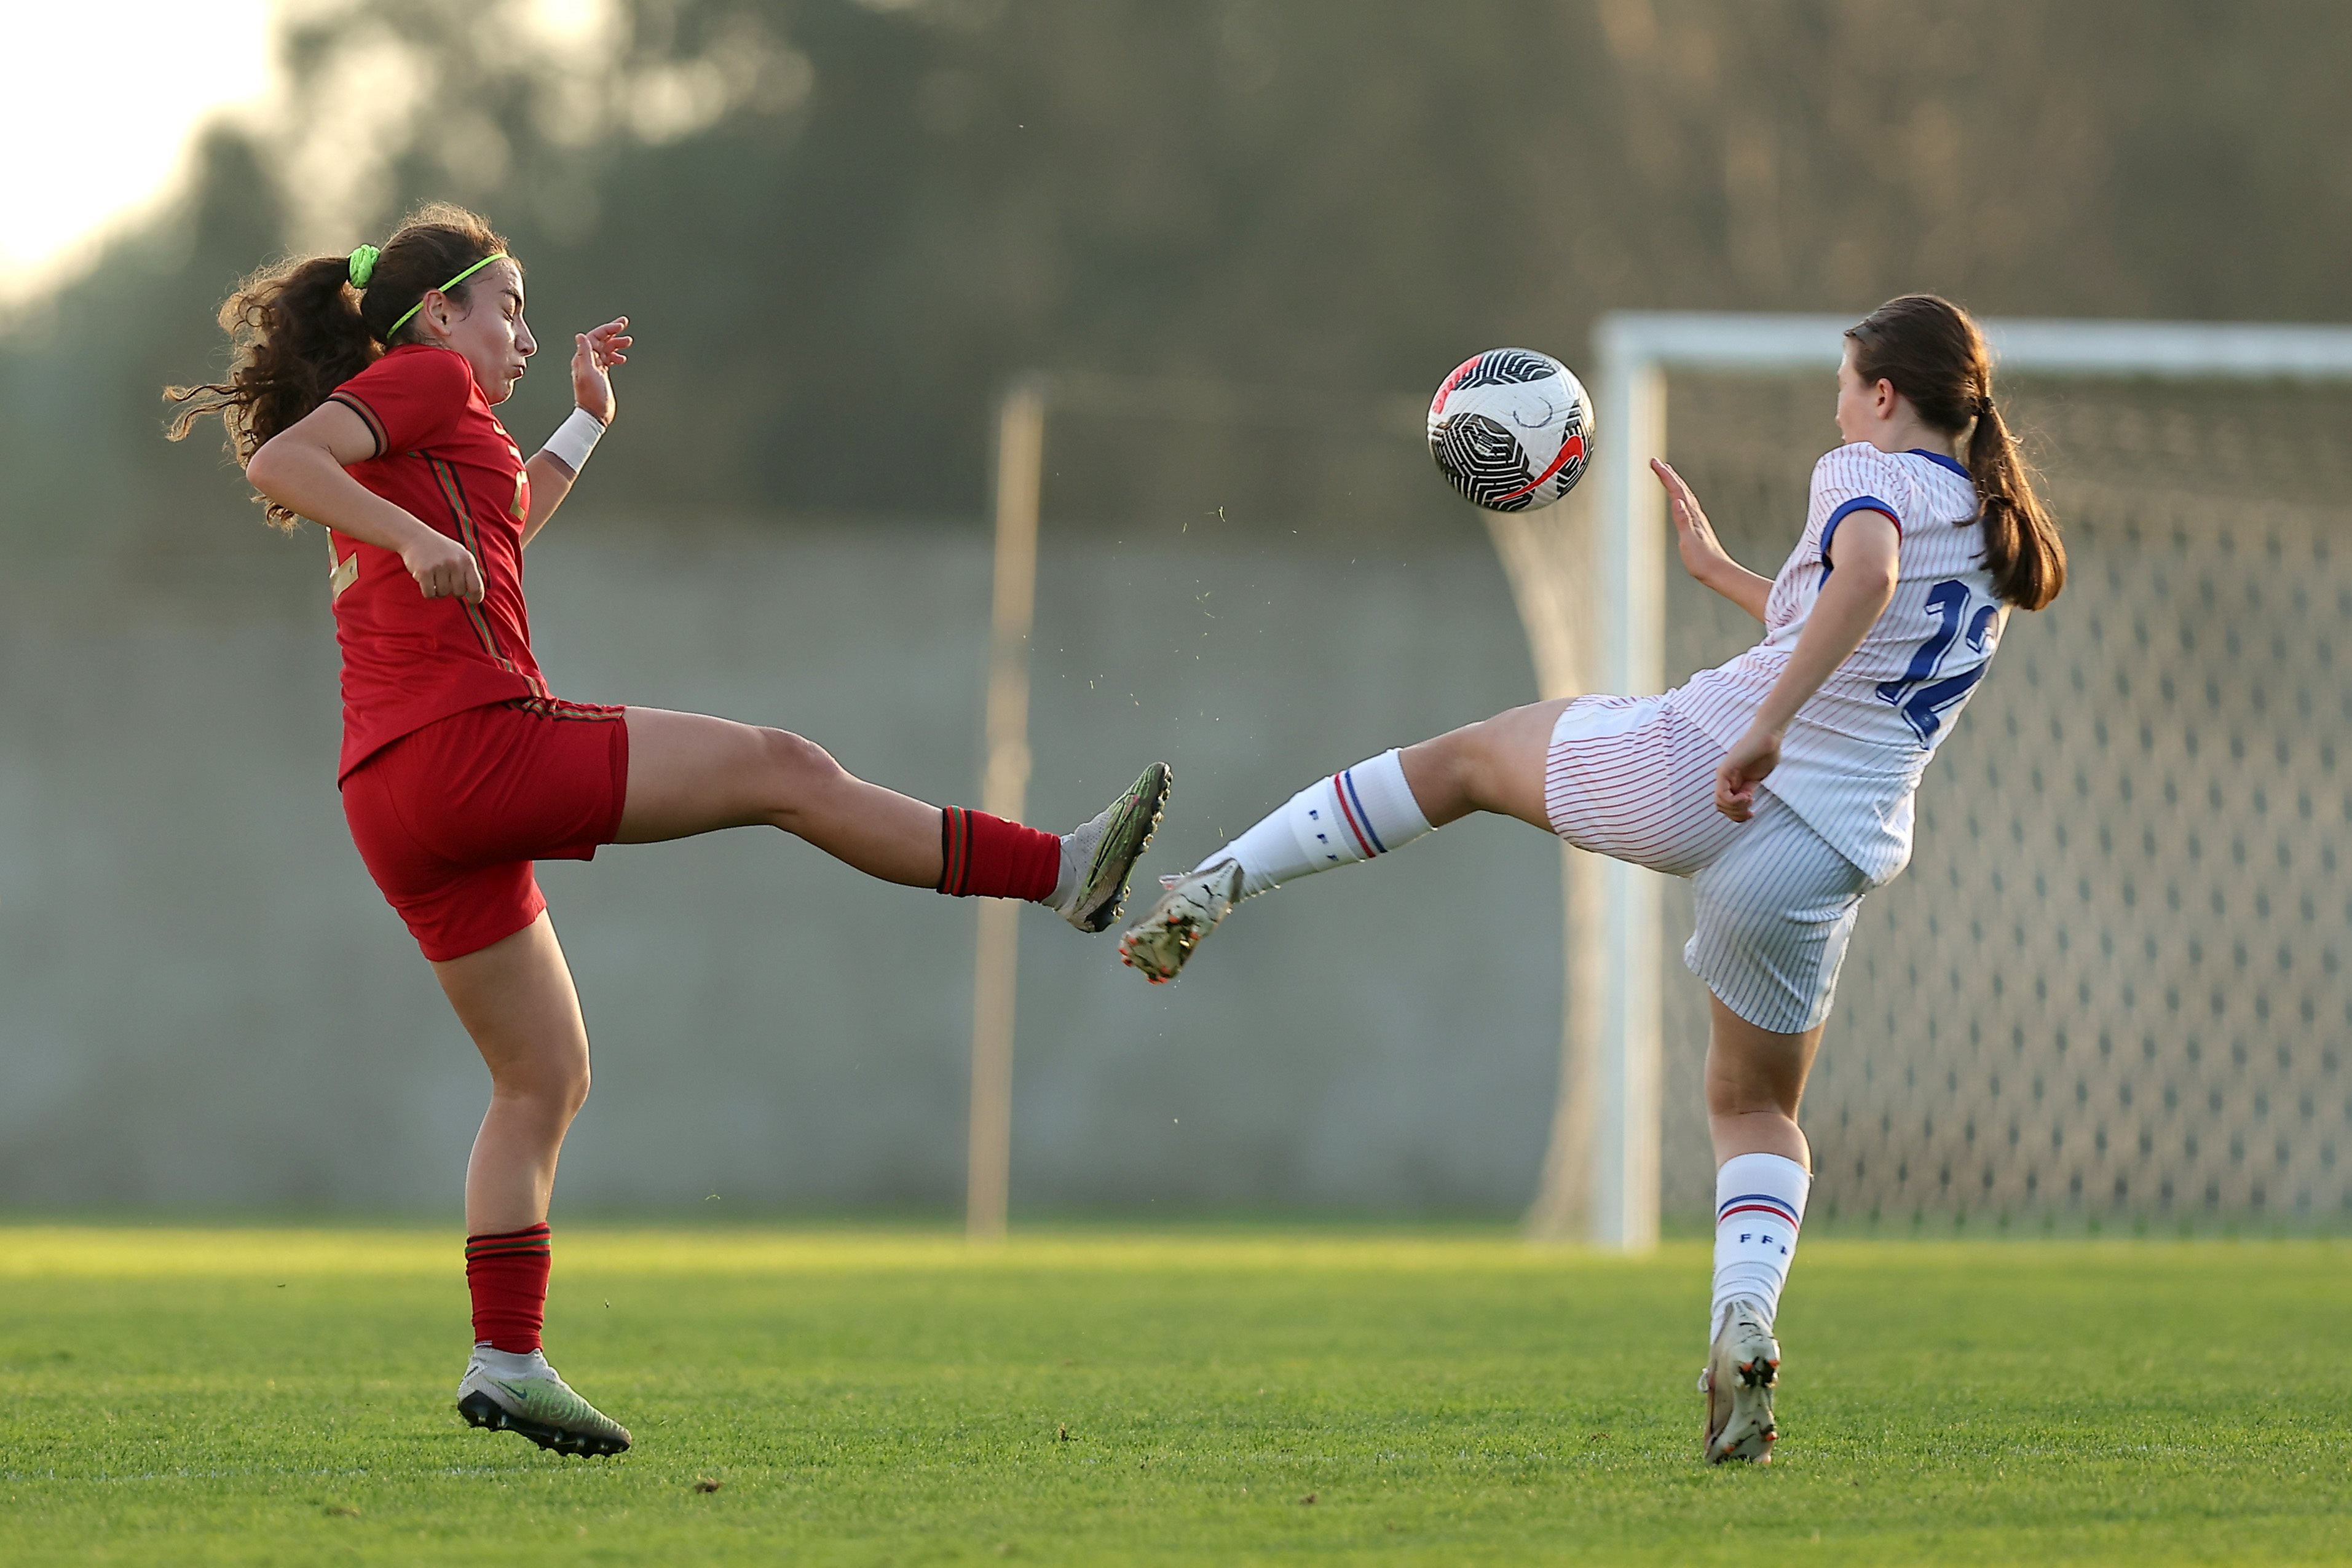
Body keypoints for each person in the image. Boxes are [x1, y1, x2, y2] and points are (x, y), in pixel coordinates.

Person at [167, 204, 1170, 1457]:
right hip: (470, 746)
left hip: (389, 796)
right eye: (510, 306)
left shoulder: (443, 421)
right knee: (783, 769)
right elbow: (282, 468)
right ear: (441, 316)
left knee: (542, 1079)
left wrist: (584, 423)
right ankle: (1059, 875)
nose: (525, 331)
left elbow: (502, 527)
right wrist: (418, 537)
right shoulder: (417, 379)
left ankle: (506, 1357)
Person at [1117, 294, 2064, 1464]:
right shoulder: (1989, 529)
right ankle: (1744, 1322)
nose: (1834, 403)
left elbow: (1861, 578)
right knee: (1756, 1112)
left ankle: (1215, 883)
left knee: (1462, 762)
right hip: (1822, 852)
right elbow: (1851, 619)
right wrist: (1724, 573)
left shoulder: (1863, 473)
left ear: (1884, 395)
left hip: (1706, 768)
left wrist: (1764, 724)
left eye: (1843, 382)